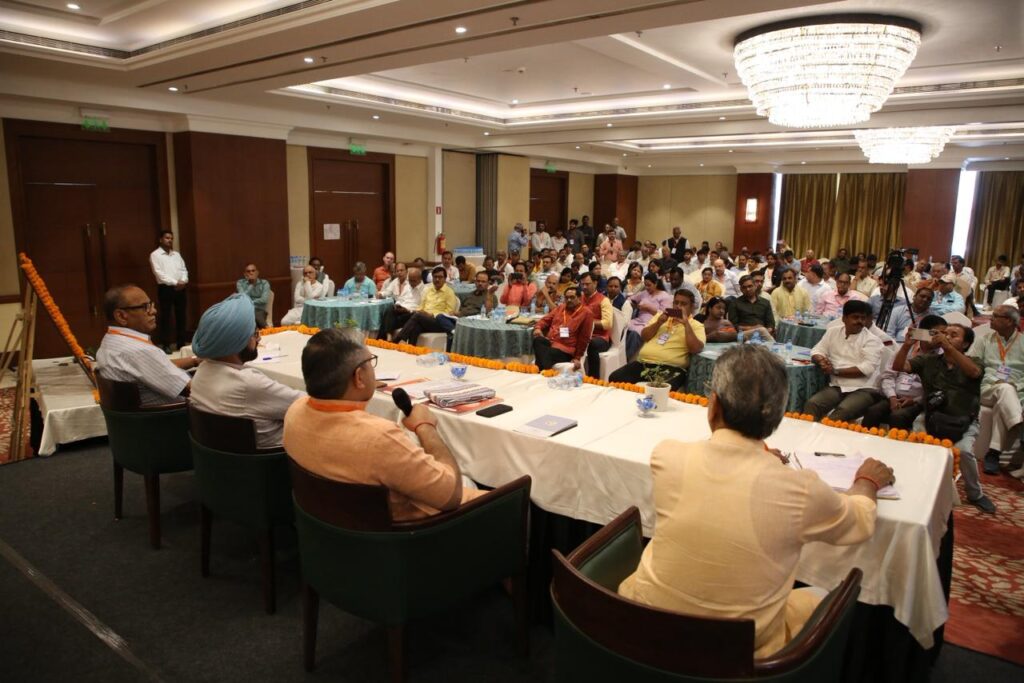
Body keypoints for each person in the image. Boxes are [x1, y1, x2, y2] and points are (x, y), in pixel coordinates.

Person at [619, 344, 888, 657]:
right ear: (778, 416)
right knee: (818, 593)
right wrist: (867, 481)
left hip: (641, 622)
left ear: (714, 406)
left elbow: (719, 469)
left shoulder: (667, 455)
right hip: (737, 651)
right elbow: (859, 522)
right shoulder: (801, 489)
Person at [284, 329, 483, 521]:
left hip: (327, 525)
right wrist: (425, 426)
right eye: (371, 362)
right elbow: (452, 494)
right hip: (418, 532)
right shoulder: (379, 438)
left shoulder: (294, 412)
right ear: (359, 377)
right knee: (479, 487)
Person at [891, 320, 995, 512]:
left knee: (964, 452)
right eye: (945, 333)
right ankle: (914, 482)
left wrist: (948, 348)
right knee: (915, 442)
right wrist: (906, 346)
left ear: (965, 344)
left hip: (963, 419)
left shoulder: (974, 361)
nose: (946, 337)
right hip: (931, 416)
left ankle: (975, 494)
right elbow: (898, 366)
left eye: (953, 335)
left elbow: (973, 372)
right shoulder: (928, 360)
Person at [189, 294, 304, 449]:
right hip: (274, 459)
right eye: (255, 334)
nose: (259, 340)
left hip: (218, 458)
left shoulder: (202, 372)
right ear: (237, 341)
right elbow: (307, 405)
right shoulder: (247, 383)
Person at [95, 284, 198, 406]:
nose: (153, 311)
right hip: (175, 415)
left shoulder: (111, 340)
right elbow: (195, 390)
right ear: (121, 316)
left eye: (151, 305)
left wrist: (195, 360)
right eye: (145, 307)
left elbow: (157, 367)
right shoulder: (138, 350)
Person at [862, 314, 946, 430]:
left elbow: (938, 389)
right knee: (873, 411)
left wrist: (915, 400)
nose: (941, 337)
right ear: (923, 333)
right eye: (936, 333)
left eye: (944, 334)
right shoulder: (905, 349)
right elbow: (888, 376)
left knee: (898, 417)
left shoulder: (943, 356)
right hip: (895, 396)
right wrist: (892, 397)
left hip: (919, 400)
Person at [609, 289, 704, 390]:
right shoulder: (660, 317)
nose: (678, 306)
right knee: (615, 378)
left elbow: (695, 349)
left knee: (659, 389)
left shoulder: (696, 325)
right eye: (676, 303)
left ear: (692, 307)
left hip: (671, 368)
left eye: (683, 304)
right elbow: (644, 336)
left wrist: (686, 324)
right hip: (644, 364)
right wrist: (659, 323)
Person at [805, 300, 883, 422]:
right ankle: (808, 434)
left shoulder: (872, 340)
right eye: (855, 317)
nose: (860, 321)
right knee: (812, 404)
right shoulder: (833, 332)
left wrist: (835, 371)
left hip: (863, 388)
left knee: (841, 412)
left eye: (863, 318)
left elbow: (867, 369)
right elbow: (817, 350)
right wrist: (821, 360)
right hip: (837, 386)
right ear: (844, 318)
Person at [974, 305, 1024, 476]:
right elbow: (972, 364)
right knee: (1004, 389)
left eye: (995, 316)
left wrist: (1017, 386)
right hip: (988, 389)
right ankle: (1019, 427)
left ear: (1009, 321)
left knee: (1003, 401)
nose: (990, 318)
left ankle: (993, 454)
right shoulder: (984, 340)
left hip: (1018, 392)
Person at [532, 286, 593, 371]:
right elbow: (545, 320)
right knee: (538, 340)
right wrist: (538, 328)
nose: (569, 300)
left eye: (572, 297)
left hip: (565, 350)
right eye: (566, 298)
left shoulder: (586, 313)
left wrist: (577, 357)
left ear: (579, 298)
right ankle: (546, 370)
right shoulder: (560, 308)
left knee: (545, 353)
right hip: (551, 343)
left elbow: (584, 338)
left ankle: (542, 371)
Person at [393, 267, 459, 344]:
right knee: (416, 325)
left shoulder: (449, 293)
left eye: (440, 277)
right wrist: (418, 311)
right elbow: (421, 306)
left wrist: (431, 315)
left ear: (445, 279)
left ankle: (397, 340)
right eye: (435, 277)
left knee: (417, 316)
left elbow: (449, 313)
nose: (437, 279)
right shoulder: (428, 290)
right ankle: (411, 348)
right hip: (425, 319)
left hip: (439, 322)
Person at [150, 230, 189, 350]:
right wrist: (175, 282)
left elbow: (184, 269)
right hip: (165, 289)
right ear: (160, 239)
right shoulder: (155, 255)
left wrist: (183, 280)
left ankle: (181, 343)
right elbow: (159, 273)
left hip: (181, 288)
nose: (170, 240)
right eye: (167, 238)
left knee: (181, 316)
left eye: (171, 238)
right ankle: (166, 345)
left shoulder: (176, 255)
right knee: (166, 317)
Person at [626, 273, 672, 359]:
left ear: (656, 283)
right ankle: (621, 355)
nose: (647, 288)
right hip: (639, 320)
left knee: (635, 333)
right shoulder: (644, 293)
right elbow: (631, 299)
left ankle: (629, 358)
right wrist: (633, 305)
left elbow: (665, 315)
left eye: (649, 285)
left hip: (652, 323)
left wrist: (649, 308)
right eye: (645, 285)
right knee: (624, 327)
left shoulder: (664, 296)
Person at [579, 272, 613, 378]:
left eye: (587, 284)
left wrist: (588, 322)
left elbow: (607, 324)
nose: (584, 287)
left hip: (600, 338)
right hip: (581, 335)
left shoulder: (604, 300)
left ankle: (593, 378)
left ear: (595, 283)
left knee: (591, 344)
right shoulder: (579, 298)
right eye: (582, 284)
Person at [377, 265, 424, 340]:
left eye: (413, 281)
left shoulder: (424, 290)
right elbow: (400, 299)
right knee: (390, 309)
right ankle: (388, 336)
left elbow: (422, 308)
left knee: (391, 319)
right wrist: (397, 305)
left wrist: (408, 310)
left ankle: (382, 339)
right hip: (401, 310)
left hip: (411, 313)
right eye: (410, 280)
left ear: (420, 279)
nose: (411, 283)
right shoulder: (407, 286)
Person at [236, 263, 271, 328]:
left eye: (253, 270)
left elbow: (264, 300)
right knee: (249, 316)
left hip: (259, 310)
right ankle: (266, 328)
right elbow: (242, 298)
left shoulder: (264, 283)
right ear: (245, 274)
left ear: (257, 272)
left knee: (255, 314)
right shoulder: (240, 283)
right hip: (246, 310)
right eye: (248, 271)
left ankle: (264, 328)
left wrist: (250, 302)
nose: (251, 273)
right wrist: (251, 285)